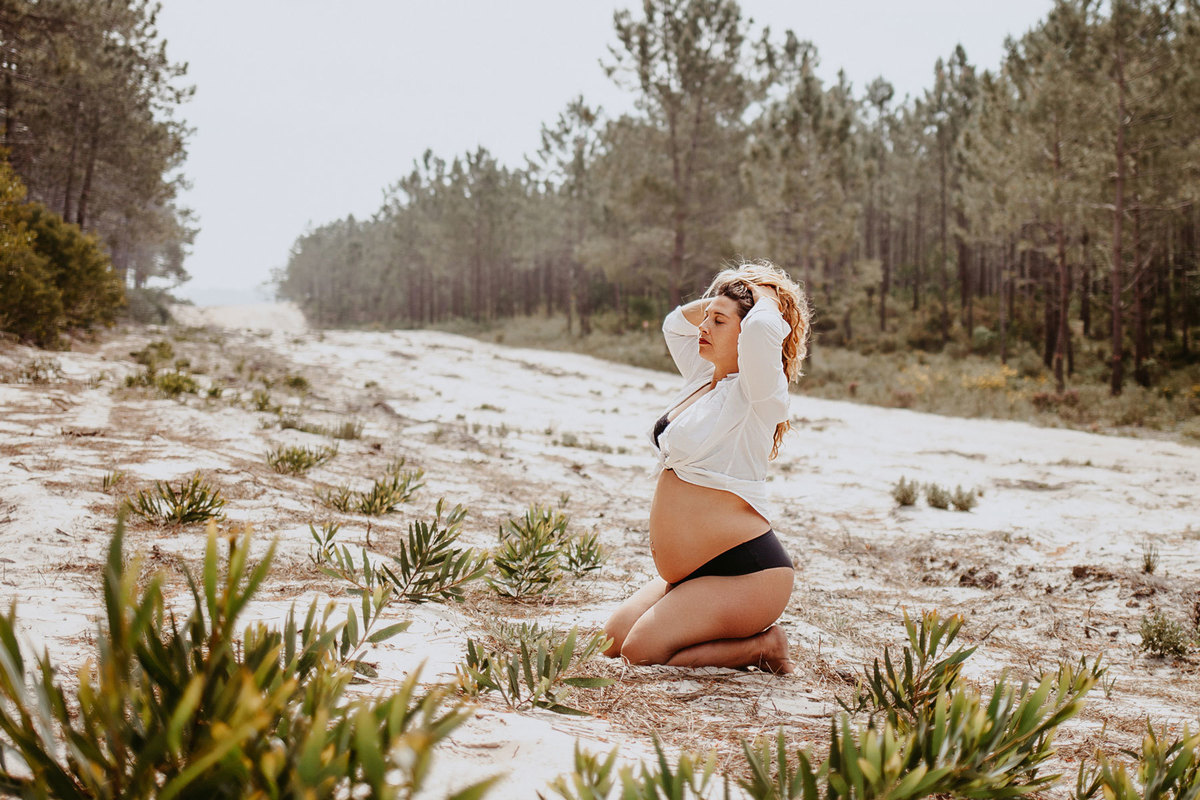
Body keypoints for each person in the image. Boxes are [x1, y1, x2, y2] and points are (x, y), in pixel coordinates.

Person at [603, 261, 810, 673]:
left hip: (747, 574)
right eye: (708, 318)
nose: (705, 326)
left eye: (718, 321)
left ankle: (765, 645)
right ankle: (704, 616)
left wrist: (764, 296)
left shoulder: (759, 396)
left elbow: (761, 331)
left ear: (748, 335)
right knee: (612, 641)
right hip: (692, 574)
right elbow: (674, 325)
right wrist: (727, 295)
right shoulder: (703, 377)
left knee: (639, 652)